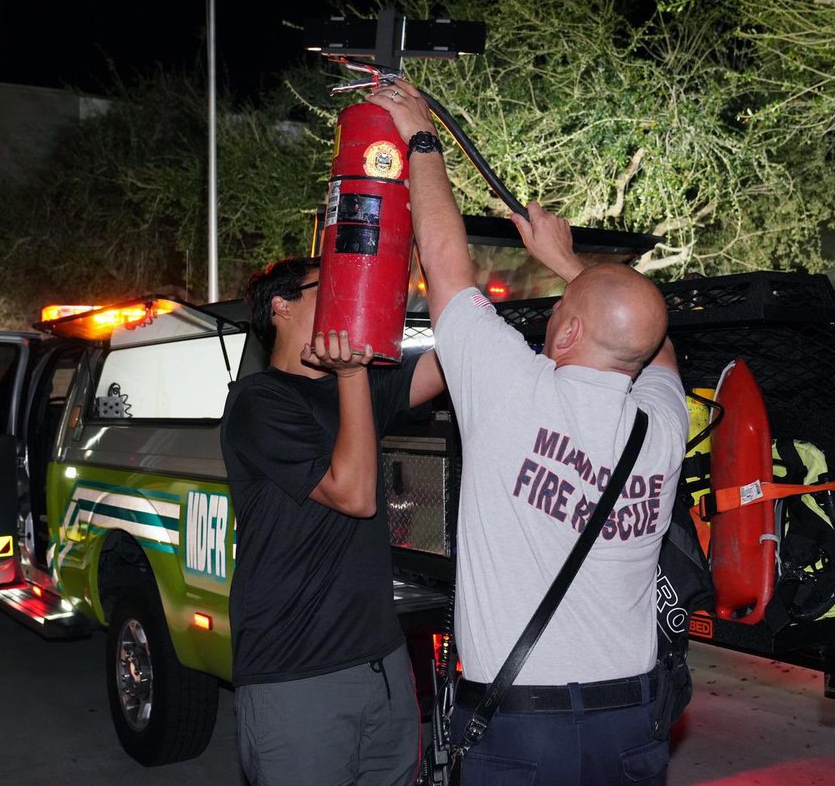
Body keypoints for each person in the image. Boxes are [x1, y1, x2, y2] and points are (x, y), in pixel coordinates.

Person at [368, 81, 688, 785]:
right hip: (632, 725)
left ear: (569, 329)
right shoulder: (665, 425)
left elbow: (445, 263)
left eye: (561, 311)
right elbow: (654, 342)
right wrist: (571, 266)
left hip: (521, 729)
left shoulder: (514, 390)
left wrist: (422, 137)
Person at [220, 257, 445, 786]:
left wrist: (428, 266)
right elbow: (354, 494)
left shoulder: (359, 384)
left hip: (382, 664)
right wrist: (352, 374)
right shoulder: (258, 400)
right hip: (296, 676)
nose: (352, 294)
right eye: (335, 285)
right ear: (281, 306)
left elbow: (453, 358)